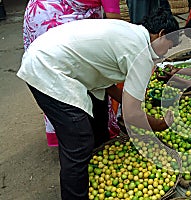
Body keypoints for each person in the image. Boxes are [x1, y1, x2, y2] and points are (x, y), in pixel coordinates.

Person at [17, 9, 179, 200]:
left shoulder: (129, 32)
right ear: (161, 35)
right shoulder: (140, 52)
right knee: (79, 140)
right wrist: (161, 124)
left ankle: (99, 167)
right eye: (169, 46)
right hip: (47, 68)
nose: (166, 52)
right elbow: (132, 114)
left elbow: (109, 85)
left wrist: (132, 105)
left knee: (98, 114)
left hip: (46, 56)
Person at [23, 0, 122, 147]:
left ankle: (78, 136)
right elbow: (115, 27)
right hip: (54, 18)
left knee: (69, 81)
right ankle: (81, 141)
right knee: (70, 85)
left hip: (42, 13)